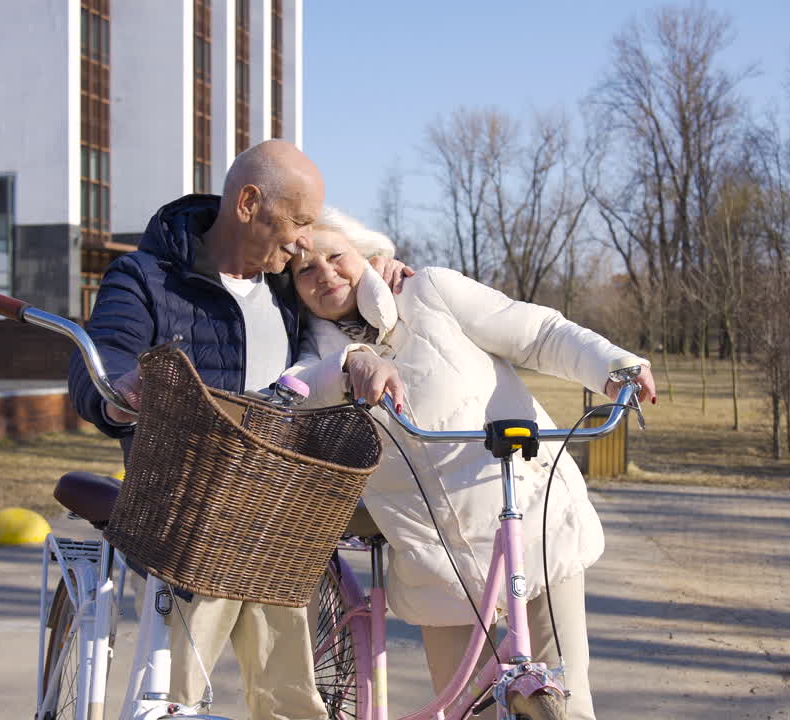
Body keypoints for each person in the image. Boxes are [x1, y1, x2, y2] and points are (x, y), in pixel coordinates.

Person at [67, 140, 405, 719]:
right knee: (179, 688)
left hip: (273, 511)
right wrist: (126, 392)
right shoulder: (147, 278)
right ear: (248, 203)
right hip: (187, 505)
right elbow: (103, 357)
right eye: (297, 221)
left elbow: (336, 319)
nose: (303, 240)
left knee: (293, 692)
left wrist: (383, 272)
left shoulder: (284, 284)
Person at [285, 208, 657, 720]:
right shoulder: (314, 356)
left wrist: (612, 367)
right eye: (305, 270)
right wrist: (351, 363)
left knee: (570, 704)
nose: (324, 273)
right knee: (464, 710)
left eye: (335, 256)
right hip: (434, 562)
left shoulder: (428, 291)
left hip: (533, 519)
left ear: (367, 255)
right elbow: (299, 393)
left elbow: (537, 333)